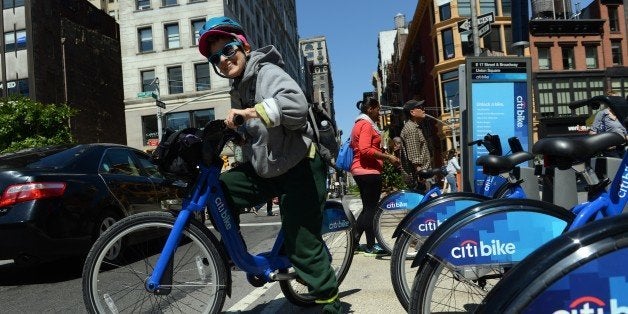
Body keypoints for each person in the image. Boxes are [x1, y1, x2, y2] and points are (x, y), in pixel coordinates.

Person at [198, 16, 341, 312]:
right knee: (220, 192)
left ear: (245, 46)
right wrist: (236, 135)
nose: (223, 60)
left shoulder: (266, 71)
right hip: (270, 168)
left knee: (303, 245)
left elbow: (296, 106)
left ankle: (330, 303)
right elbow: (260, 133)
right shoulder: (239, 86)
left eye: (229, 50)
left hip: (301, 165)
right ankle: (232, 254)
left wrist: (250, 112)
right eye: (216, 57)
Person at [349, 97, 400, 256]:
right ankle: (354, 240)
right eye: (378, 109)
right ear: (370, 108)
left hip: (362, 171)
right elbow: (365, 150)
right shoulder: (365, 124)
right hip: (368, 172)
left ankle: (368, 245)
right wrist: (388, 158)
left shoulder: (360, 124)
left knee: (367, 210)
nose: (380, 112)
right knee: (370, 211)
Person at [399, 99, 432, 191]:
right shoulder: (411, 129)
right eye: (420, 108)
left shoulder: (415, 127)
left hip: (420, 177)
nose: (423, 110)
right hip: (419, 179)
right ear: (412, 112)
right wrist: (421, 175)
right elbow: (415, 158)